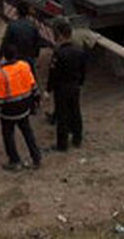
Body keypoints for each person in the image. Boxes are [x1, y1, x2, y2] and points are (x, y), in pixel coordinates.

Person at [0, 49, 42, 171]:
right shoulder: (24, 66)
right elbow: (33, 85)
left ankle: (15, 161)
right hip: (24, 107)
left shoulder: (1, 74)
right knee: (28, 132)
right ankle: (36, 157)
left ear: (5, 57)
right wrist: (36, 99)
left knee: (8, 135)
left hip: (9, 111)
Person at [47, 19, 86, 151]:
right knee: (76, 112)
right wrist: (80, 83)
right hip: (75, 86)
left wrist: (48, 89)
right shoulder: (79, 51)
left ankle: (62, 144)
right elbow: (83, 70)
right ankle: (77, 138)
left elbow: (53, 73)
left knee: (62, 115)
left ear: (61, 35)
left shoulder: (58, 53)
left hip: (61, 88)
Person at [0, 1, 51, 67]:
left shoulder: (12, 26)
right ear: (28, 13)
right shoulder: (33, 27)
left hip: (15, 59)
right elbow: (37, 43)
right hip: (28, 59)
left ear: (17, 12)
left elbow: (5, 42)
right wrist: (35, 56)